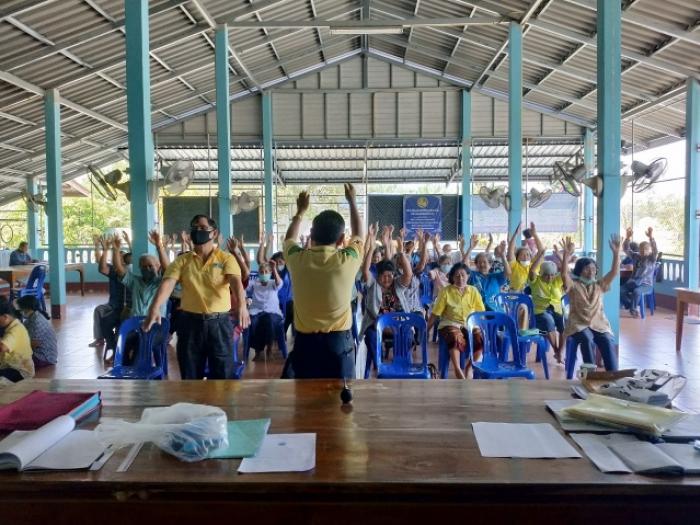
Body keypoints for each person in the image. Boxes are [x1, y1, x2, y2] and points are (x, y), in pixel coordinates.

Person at [142, 215, 250, 380]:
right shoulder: (182, 261)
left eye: (202, 228)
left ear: (214, 233)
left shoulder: (226, 258)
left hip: (219, 325)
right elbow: (168, 283)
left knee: (223, 377)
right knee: (190, 374)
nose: (197, 231)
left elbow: (236, 283)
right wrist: (154, 307)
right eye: (194, 228)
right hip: (189, 324)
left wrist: (242, 306)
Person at [280, 184, 363, 379]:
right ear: (341, 239)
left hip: (305, 344)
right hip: (338, 343)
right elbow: (359, 235)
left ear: (312, 234)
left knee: (305, 395)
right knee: (342, 395)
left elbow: (289, 239)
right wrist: (352, 201)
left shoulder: (297, 259)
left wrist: (300, 211)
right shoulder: (347, 259)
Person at [360, 223, 415, 372]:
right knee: (371, 336)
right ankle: (379, 366)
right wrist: (372, 246)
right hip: (376, 324)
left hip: (397, 323)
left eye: (390, 275)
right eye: (383, 276)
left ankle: (400, 364)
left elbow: (408, 274)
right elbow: (365, 271)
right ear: (378, 276)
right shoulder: (373, 284)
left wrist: (401, 252)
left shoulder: (397, 284)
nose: (387, 279)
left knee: (407, 335)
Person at [560, 236, 620, 371]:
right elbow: (564, 275)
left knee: (607, 339)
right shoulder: (573, 285)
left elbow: (614, 272)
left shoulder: (600, 285)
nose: (591, 272)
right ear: (579, 271)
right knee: (587, 339)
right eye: (587, 269)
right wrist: (566, 256)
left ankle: (613, 374)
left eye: (593, 269)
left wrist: (616, 253)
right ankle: (590, 373)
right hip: (578, 323)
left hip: (599, 323)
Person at [113, 230, 169, 363]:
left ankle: (136, 371)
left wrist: (159, 246)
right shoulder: (135, 281)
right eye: (144, 266)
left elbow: (168, 269)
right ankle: (126, 369)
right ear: (139, 267)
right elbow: (120, 270)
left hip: (156, 328)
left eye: (150, 266)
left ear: (158, 266)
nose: (147, 269)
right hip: (135, 326)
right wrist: (116, 250)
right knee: (122, 341)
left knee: (141, 343)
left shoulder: (162, 283)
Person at [427, 263, 485, 379]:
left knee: (480, 339)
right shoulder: (446, 291)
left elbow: (481, 313)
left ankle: (469, 366)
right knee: (455, 336)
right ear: (452, 277)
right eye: (457, 276)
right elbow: (435, 314)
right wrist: (427, 330)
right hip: (450, 323)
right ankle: (457, 368)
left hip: (469, 324)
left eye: (463, 275)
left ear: (468, 276)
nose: (460, 278)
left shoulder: (473, 291)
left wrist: (482, 327)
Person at [89, 235, 131, 353]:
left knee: (119, 323)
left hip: (124, 307)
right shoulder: (113, 270)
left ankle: (116, 347)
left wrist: (128, 242)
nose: (118, 257)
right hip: (112, 304)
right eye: (117, 255)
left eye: (121, 256)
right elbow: (100, 264)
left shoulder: (129, 271)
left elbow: (134, 256)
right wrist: (101, 247)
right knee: (99, 310)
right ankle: (100, 339)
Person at [528, 255, 565, 363]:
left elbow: (565, 272)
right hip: (541, 311)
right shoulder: (535, 281)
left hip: (557, 310)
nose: (550, 278)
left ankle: (559, 352)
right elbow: (532, 270)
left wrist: (563, 257)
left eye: (552, 275)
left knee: (564, 327)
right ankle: (556, 351)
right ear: (541, 273)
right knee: (549, 321)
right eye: (546, 275)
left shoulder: (556, 281)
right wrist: (541, 254)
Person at [246, 261, 284, 361]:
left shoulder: (273, 283)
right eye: (261, 272)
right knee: (253, 321)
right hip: (256, 310)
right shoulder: (255, 283)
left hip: (272, 312)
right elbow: (244, 287)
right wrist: (245, 298)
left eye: (266, 272)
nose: (264, 274)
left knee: (269, 320)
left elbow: (279, 283)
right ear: (259, 273)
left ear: (270, 273)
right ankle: (258, 351)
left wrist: (274, 268)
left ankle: (269, 349)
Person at [621, 227, 658, 318]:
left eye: (645, 249)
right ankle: (630, 306)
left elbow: (655, 250)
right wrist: (628, 237)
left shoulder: (651, 258)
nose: (643, 251)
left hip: (646, 285)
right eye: (641, 249)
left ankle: (633, 310)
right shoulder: (636, 256)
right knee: (620, 290)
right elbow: (626, 249)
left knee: (637, 292)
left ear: (649, 250)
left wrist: (651, 237)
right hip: (633, 282)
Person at [469, 240, 511, 311]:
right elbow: (463, 267)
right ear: (476, 264)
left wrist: (503, 256)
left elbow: (508, 273)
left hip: (495, 310)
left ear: (490, 264)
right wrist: (470, 248)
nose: (482, 264)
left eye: (484, 262)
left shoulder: (495, 276)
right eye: (479, 262)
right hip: (477, 311)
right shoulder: (472, 275)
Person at [17, 295, 57, 368]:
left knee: (12, 360)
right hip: (39, 354)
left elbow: (34, 344)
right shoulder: (32, 317)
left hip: (44, 357)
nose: (21, 311)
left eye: (21, 308)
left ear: (28, 308)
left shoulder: (37, 321)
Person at [0, 297, 34, 382]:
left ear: (5, 317)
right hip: (9, 366)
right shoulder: (7, 326)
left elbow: (3, 347)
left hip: (20, 371)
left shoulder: (16, 329)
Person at [507, 222, 544, 293]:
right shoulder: (515, 265)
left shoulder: (533, 265)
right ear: (517, 257)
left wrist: (535, 234)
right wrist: (516, 234)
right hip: (516, 295)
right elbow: (510, 250)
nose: (525, 257)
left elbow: (541, 251)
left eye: (527, 255)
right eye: (522, 255)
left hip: (533, 295)